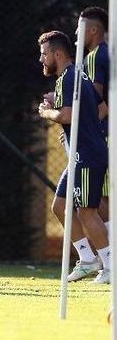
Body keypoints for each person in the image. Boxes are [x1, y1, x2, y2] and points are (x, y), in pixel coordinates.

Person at [38, 30, 111, 284]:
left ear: (57, 54)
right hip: (82, 153)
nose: (41, 59)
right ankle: (87, 260)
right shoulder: (77, 77)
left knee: (87, 211)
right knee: (59, 206)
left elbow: (67, 116)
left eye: (44, 54)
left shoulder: (69, 78)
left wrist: (47, 113)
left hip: (87, 154)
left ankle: (110, 265)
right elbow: (101, 108)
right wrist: (79, 130)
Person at [80, 6, 110, 231]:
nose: (75, 34)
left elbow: (96, 103)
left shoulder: (94, 57)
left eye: (79, 28)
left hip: (105, 135)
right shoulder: (108, 53)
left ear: (92, 30)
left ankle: (110, 255)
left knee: (101, 198)